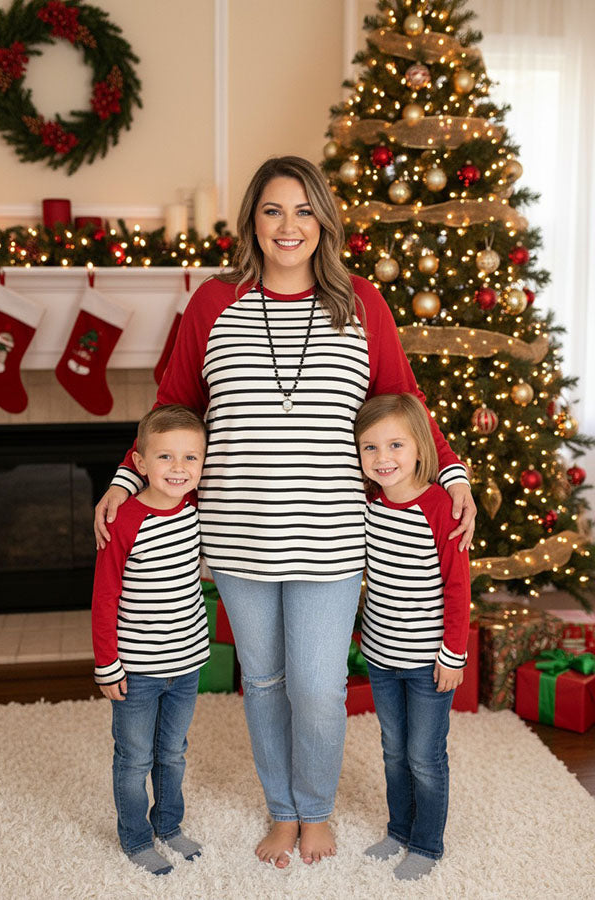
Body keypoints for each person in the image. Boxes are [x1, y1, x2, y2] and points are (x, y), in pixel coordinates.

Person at [94, 155, 476, 869]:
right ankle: (282, 810)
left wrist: (450, 472)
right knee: (265, 683)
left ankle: (316, 809)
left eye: (304, 210)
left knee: (318, 688)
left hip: (332, 538)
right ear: (253, 221)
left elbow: (405, 400)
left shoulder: (361, 303)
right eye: (273, 210)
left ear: (324, 221)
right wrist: (125, 478)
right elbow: (174, 406)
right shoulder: (213, 302)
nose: (288, 225)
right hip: (236, 537)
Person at [354, 393, 471, 882]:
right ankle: (399, 830)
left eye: (396, 445)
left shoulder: (441, 508)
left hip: (429, 662)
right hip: (381, 657)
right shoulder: (368, 506)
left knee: (425, 755)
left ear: (420, 447)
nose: (383, 458)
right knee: (394, 750)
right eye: (370, 447)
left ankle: (426, 843)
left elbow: (458, 587)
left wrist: (453, 654)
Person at [92, 404, 209, 876]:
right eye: (165, 457)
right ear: (139, 463)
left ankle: (168, 825)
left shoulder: (195, 509)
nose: (179, 468)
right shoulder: (123, 519)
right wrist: (107, 664)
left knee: (173, 753)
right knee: (134, 757)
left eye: (190, 458)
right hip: (137, 669)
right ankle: (136, 838)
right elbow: (105, 598)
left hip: (186, 663)